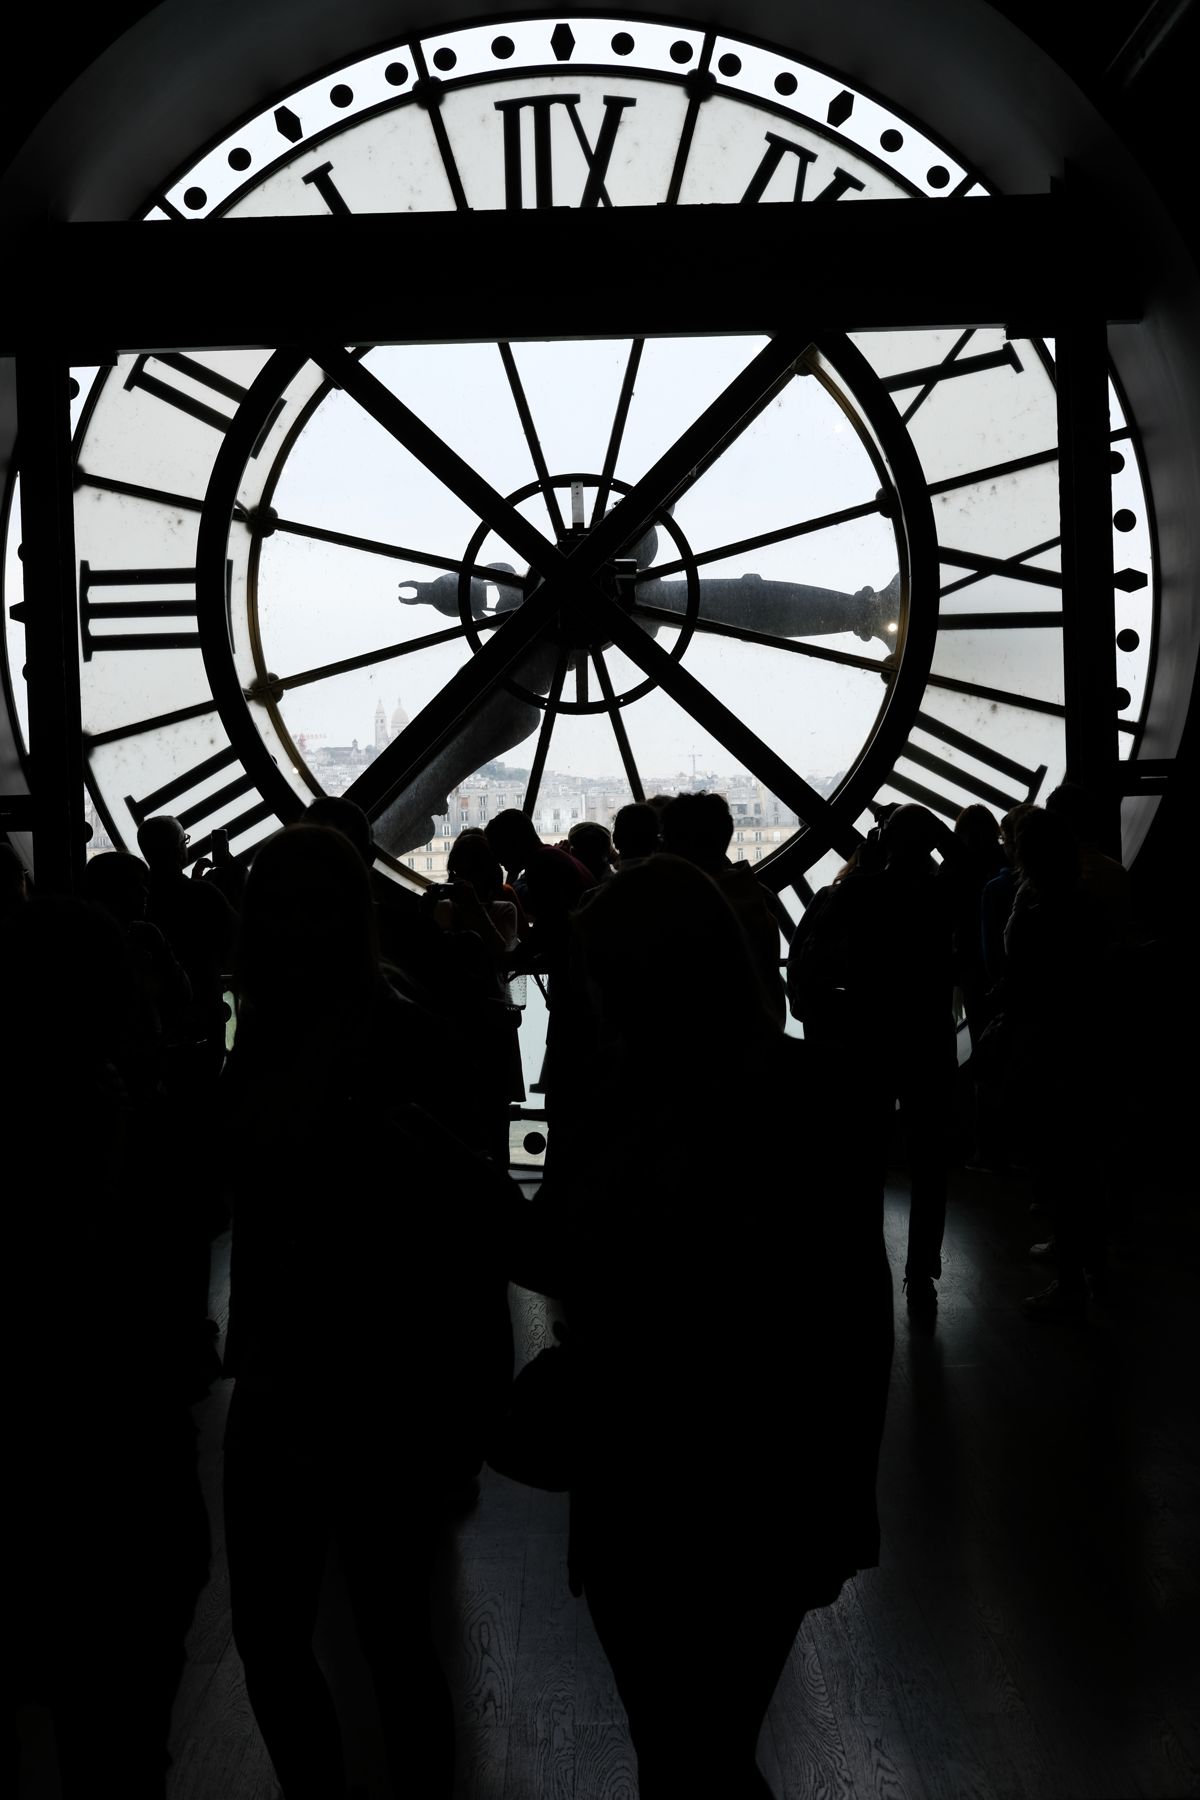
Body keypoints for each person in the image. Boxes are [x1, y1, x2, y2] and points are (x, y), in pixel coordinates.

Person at [512, 855, 891, 1797]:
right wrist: (844, 1501)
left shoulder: (608, 1104)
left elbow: (566, 1257)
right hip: (765, 1483)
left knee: (672, 1744)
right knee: (702, 1748)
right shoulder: (823, 1096)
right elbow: (854, 1322)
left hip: (635, 1478)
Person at [220, 825, 519, 1798]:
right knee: (393, 1638)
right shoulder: (412, 1038)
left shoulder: (259, 1040)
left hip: (281, 1377)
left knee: (274, 1637)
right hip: (384, 1387)